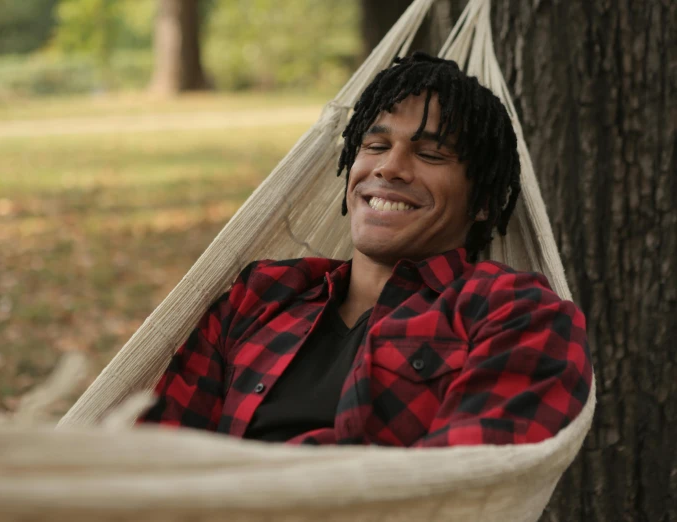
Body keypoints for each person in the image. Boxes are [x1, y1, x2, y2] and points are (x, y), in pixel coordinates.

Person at [138, 52, 592, 447]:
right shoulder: (259, 295)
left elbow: (463, 485)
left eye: (431, 155)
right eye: (375, 145)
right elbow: (157, 452)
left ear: (484, 203)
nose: (390, 168)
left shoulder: (513, 313)